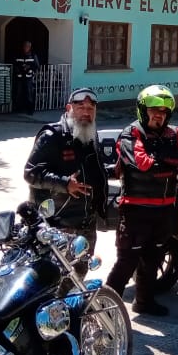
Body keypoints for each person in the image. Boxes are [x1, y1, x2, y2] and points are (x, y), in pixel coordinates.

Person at [104, 85, 178, 316]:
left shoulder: (174, 133)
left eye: (164, 111)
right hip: (135, 210)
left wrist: (163, 157)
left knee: (153, 258)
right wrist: (168, 160)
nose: (159, 115)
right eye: (154, 110)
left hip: (164, 209)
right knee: (127, 262)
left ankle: (144, 302)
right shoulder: (131, 133)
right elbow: (141, 165)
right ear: (143, 110)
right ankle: (103, 309)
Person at [23, 87, 108, 277]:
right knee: (55, 279)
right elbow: (31, 173)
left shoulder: (90, 134)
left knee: (78, 275)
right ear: (69, 108)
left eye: (91, 108)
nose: (86, 112)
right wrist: (64, 184)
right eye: (81, 107)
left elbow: (94, 171)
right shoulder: (52, 135)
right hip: (58, 223)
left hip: (86, 221)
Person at [13, 40, 40, 115]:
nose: (26, 48)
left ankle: (30, 110)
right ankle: (19, 109)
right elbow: (15, 64)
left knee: (29, 94)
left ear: (30, 47)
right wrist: (19, 69)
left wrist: (29, 68)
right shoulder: (18, 54)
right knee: (19, 93)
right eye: (25, 46)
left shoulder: (33, 55)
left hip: (28, 77)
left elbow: (37, 66)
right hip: (20, 77)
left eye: (28, 46)